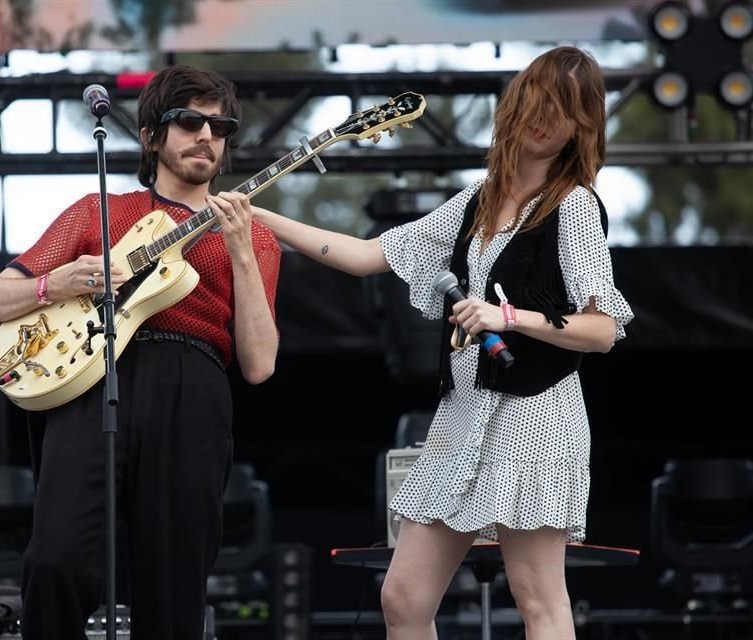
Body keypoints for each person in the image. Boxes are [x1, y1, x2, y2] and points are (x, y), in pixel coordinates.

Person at [252, 46, 633, 639]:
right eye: (540, 101)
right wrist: (257, 218)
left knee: (539, 598)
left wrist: (512, 318)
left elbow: (604, 329)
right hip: (463, 413)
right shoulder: (472, 204)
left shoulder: (575, 207)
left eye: (566, 110)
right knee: (403, 597)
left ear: (581, 128)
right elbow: (366, 255)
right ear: (516, 106)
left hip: (537, 416)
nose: (547, 118)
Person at [0, 64, 281, 640]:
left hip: (192, 385)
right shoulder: (99, 212)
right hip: (93, 377)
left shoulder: (254, 236)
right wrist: (57, 284)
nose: (206, 136)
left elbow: (260, 364)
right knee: (55, 560)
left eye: (221, 126)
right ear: (151, 136)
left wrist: (240, 252)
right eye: (189, 121)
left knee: (173, 580)